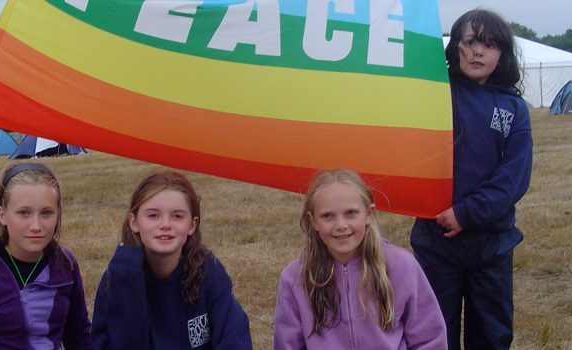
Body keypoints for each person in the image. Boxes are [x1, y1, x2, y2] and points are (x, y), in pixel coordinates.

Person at [410, 9, 533, 350]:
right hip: (436, 244)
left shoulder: (513, 109)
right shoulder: (432, 96)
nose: (479, 51)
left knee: (491, 335)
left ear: (502, 54)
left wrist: (467, 213)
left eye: (490, 45)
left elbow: (514, 177)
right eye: (471, 41)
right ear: (454, 47)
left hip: (491, 247)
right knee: (433, 333)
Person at [274, 169, 447, 350]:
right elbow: (287, 345)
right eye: (327, 216)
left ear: (369, 214)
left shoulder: (402, 267)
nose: (341, 225)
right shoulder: (295, 278)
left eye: (351, 213)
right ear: (313, 221)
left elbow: (430, 339)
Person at [91, 171, 252, 350]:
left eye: (177, 216)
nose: (165, 224)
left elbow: (236, 337)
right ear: (134, 222)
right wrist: (128, 280)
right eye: (153, 215)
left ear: (192, 225)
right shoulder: (117, 276)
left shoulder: (208, 271)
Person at [0, 162, 92, 349]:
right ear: (2, 214)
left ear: (58, 214)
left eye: (46, 213)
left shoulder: (65, 265)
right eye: (24, 213)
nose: (36, 225)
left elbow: (79, 336)